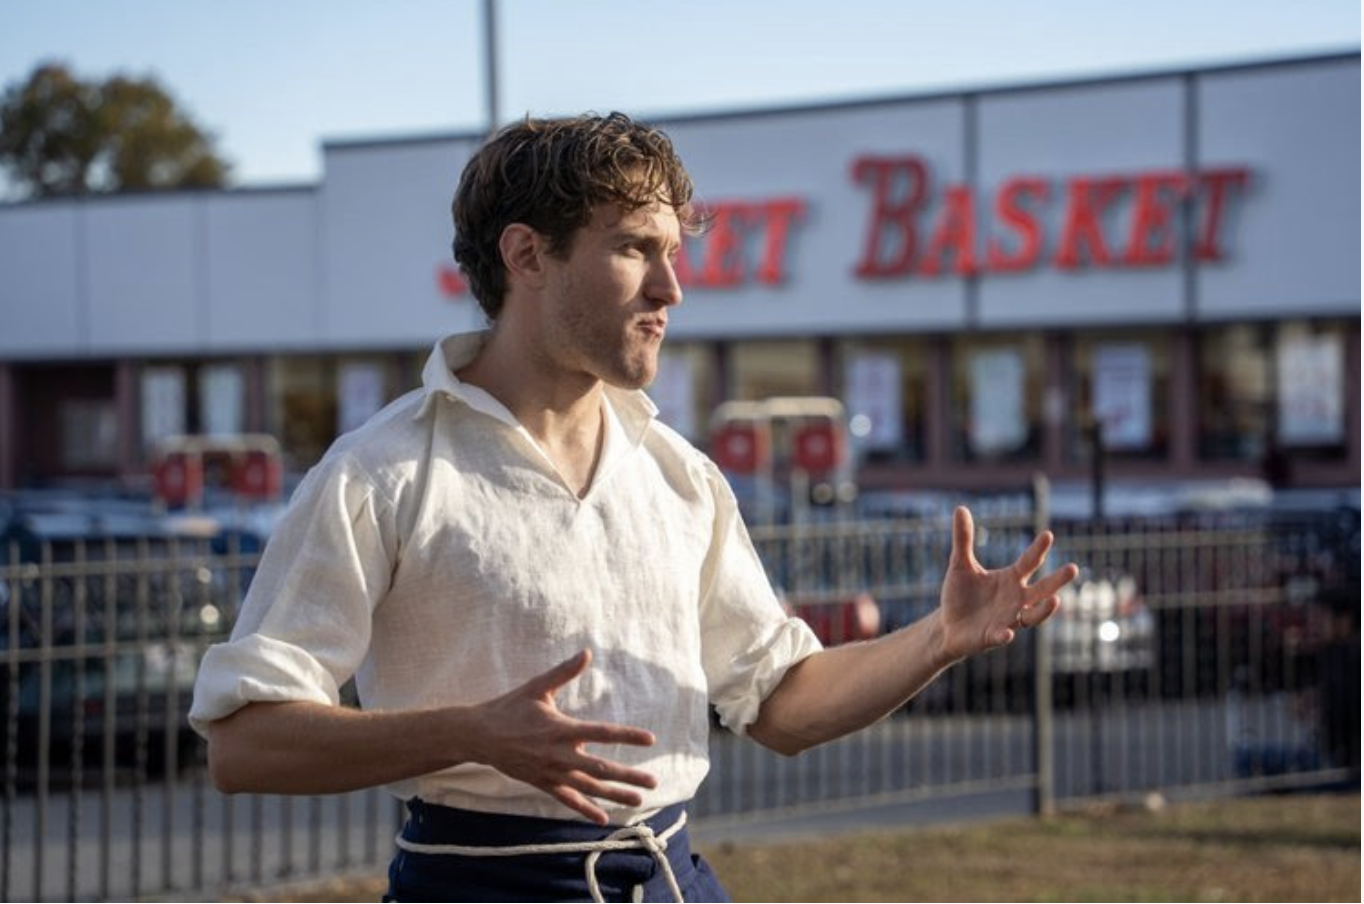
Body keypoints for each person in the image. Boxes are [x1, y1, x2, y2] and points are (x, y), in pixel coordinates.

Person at [190, 112, 1078, 903]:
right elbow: (245, 745)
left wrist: (940, 638)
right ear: (528, 255)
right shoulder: (380, 472)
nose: (671, 291)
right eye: (633, 250)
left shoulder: (679, 475)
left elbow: (781, 703)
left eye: (673, 254)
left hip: (672, 880)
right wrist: (472, 735)